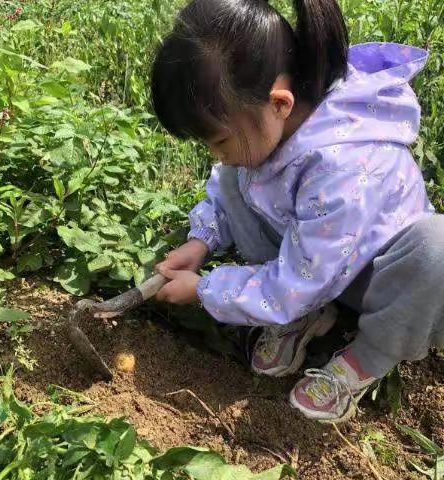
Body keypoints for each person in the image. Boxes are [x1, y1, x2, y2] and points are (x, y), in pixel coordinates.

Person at [150, 0, 444, 423]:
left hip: (377, 277)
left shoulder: (341, 167)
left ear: (280, 103)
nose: (218, 156)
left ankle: (363, 360)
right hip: (314, 257)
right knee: (239, 174)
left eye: (217, 142)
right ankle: (303, 315)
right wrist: (202, 240)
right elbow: (226, 186)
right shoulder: (270, 128)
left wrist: (204, 290)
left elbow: (301, 279)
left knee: (436, 252)